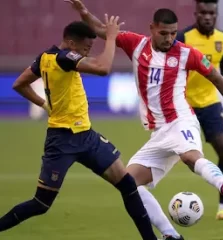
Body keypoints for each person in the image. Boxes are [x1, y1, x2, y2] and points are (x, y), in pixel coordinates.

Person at [67, 1, 223, 239]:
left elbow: (217, 77)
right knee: (128, 184)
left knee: (190, 156)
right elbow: (101, 31)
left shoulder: (187, 54)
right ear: (152, 28)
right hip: (158, 133)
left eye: (172, 33)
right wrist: (84, 12)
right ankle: (171, 235)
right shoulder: (136, 44)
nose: (169, 38)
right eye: (163, 33)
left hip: (180, 121)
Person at [0, 17, 159, 240]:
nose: (87, 52)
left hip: (86, 136)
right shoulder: (65, 57)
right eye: (86, 48)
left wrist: (45, 105)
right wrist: (111, 37)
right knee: (41, 203)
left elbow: (19, 84)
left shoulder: (44, 58)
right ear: (72, 44)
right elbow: (103, 68)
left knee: (127, 184)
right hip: (62, 141)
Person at [176, 0, 223, 221]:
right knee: (182, 156)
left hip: (210, 104)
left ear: (216, 14)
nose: (207, 17)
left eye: (211, 13)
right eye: (202, 12)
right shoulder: (183, 37)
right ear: (196, 13)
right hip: (184, 106)